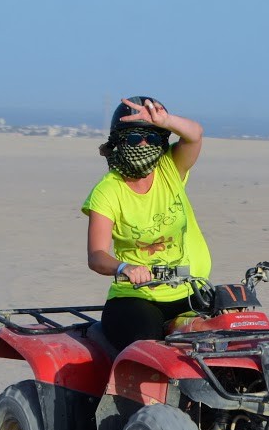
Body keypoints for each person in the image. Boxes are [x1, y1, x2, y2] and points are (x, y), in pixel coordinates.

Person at [82, 96, 210, 351]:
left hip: (188, 292)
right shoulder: (108, 191)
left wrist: (165, 121)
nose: (143, 144)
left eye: (151, 138)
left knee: (229, 335)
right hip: (136, 298)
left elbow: (194, 135)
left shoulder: (170, 169)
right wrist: (124, 268)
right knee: (150, 351)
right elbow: (96, 256)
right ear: (119, 142)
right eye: (133, 139)